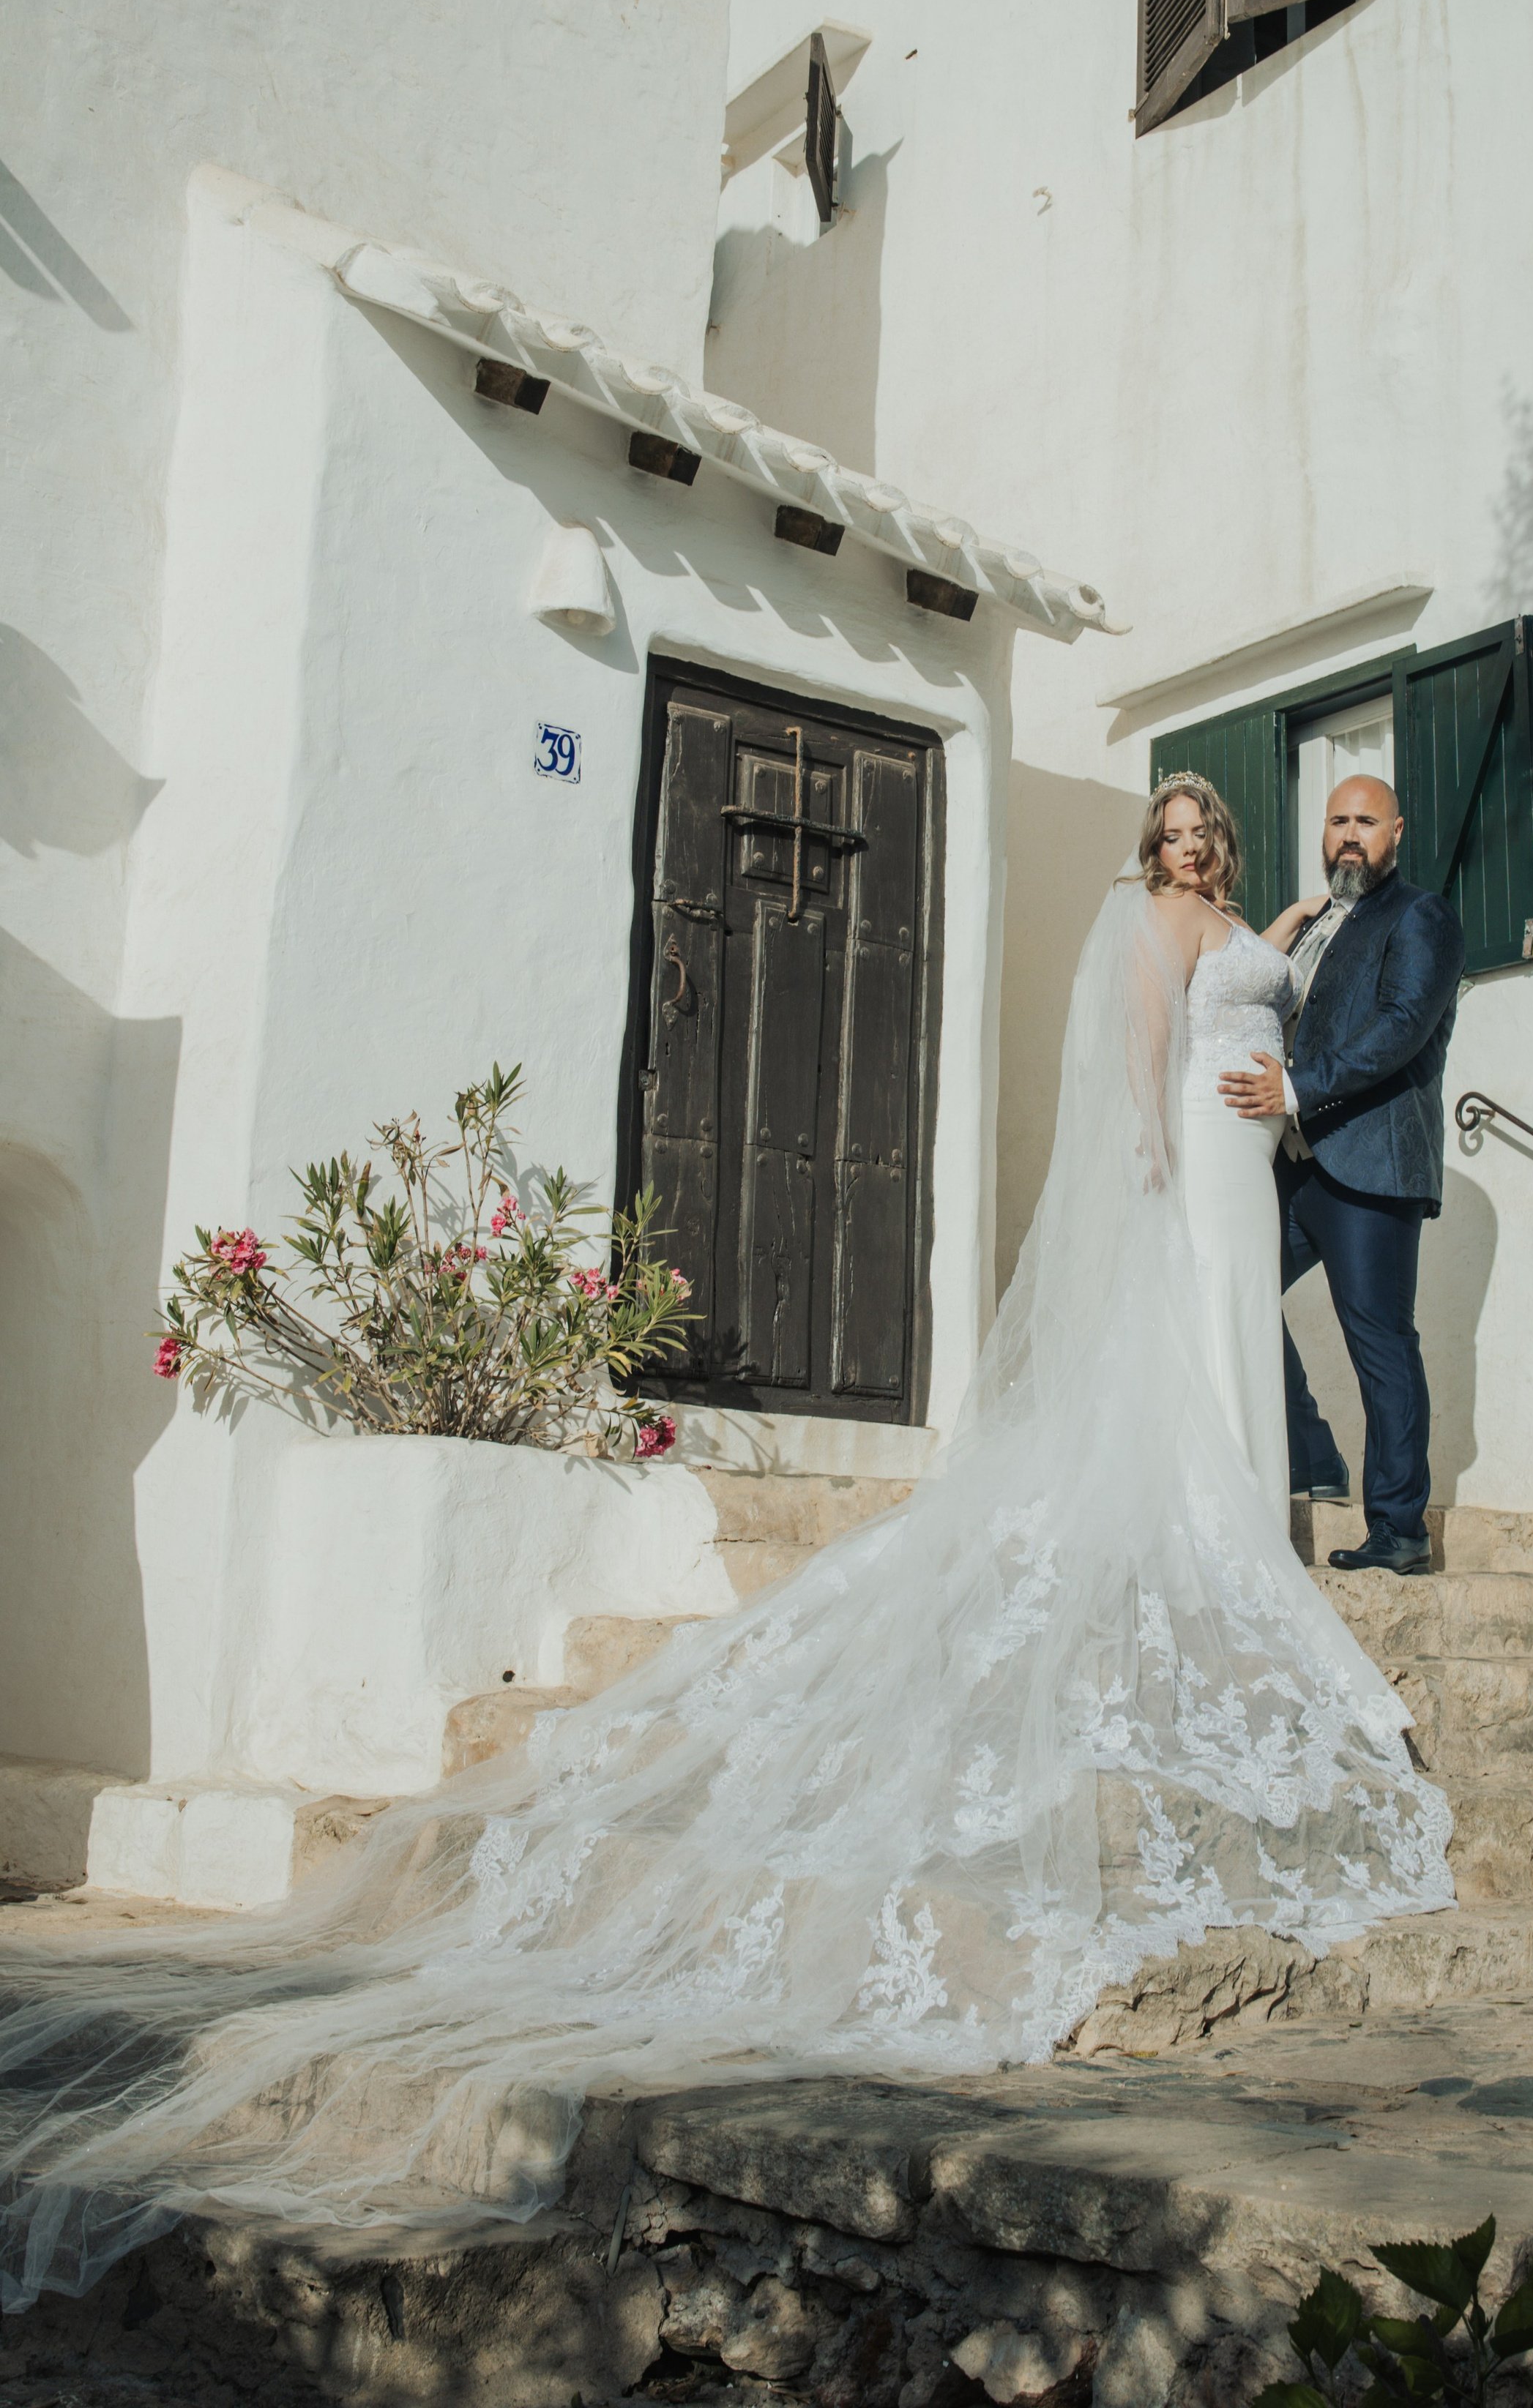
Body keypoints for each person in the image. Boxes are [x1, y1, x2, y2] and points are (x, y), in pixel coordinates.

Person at [0, 779, 1452, 2312]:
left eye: (1197, 831)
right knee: (1217, 1331)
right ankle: (1219, 1499)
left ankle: (1262, 1495)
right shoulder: (1155, 922)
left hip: (1257, 1151)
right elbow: (1152, 1034)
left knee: (1264, 1327)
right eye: (1164, 829)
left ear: (1228, 846)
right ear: (1152, 849)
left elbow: (1276, 966)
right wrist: (1157, 1148)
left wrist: (1282, 942)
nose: (1181, 846)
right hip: (1199, 1143)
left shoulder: (1256, 922)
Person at [1217, 775, 1467, 1577]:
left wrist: (1292, 1088)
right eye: (1336, 821)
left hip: (1371, 1166)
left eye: (1365, 821)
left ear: (1396, 831)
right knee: (1235, 1288)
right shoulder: (1320, 922)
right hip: (1296, 1160)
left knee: (1381, 1343)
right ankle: (1313, 1452)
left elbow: (1402, 1025)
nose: (1349, 835)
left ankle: (1399, 1527)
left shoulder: (1419, 916)